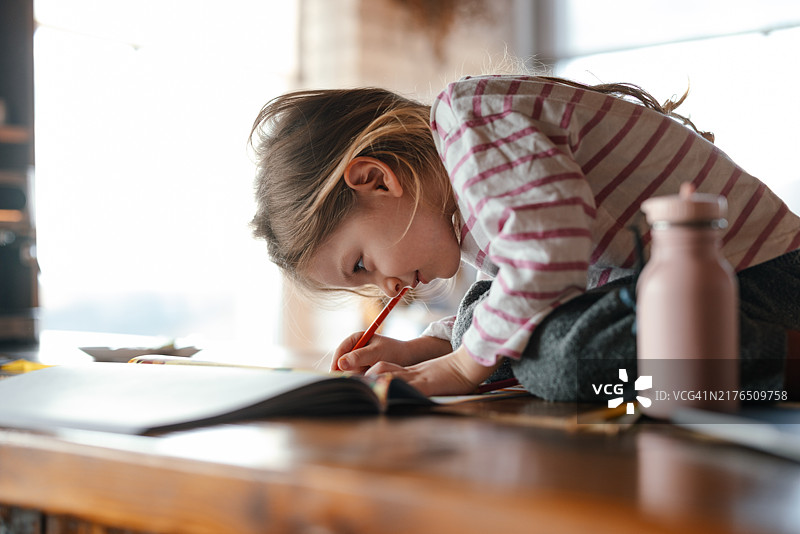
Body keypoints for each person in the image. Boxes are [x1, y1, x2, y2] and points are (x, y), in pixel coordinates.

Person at [249, 74, 800, 399]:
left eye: (361, 265)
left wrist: (464, 366)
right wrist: (429, 347)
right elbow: (526, 283)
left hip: (759, 281)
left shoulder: (467, 121)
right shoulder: (476, 200)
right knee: (499, 307)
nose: (385, 284)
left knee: (558, 359)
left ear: (376, 179)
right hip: (687, 290)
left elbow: (546, 260)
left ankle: (780, 363)